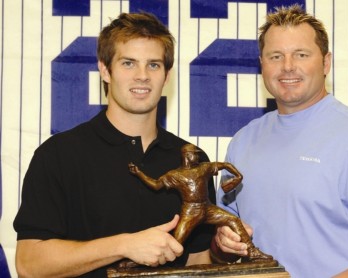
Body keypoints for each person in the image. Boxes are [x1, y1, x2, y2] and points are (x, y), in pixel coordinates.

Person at [212, 4, 348, 277]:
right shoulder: (242, 143)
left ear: (326, 63)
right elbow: (221, 245)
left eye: (301, 54)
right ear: (262, 64)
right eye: (276, 56)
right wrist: (222, 244)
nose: (288, 66)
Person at [13, 12, 216, 277]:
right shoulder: (59, 154)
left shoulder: (192, 158)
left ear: (167, 76)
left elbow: (198, 261)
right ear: (105, 70)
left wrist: (223, 248)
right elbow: (29, 264)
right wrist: (124, 245)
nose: (142, 76)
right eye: (129, 63)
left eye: (153, 65)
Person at [129, 143, 273, 262]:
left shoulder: (203, 167)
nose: (197, 156)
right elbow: (155, 184)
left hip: (208, 208)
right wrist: (139, 173)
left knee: (233, 219)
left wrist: (237, 177)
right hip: (190, 211)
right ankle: (141, 262)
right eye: (194, 154)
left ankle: (252, 251)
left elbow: (225, 165)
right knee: (175, 243)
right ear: (187, 155)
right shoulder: (175, 175)